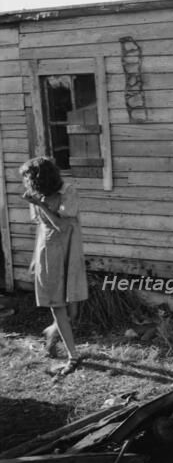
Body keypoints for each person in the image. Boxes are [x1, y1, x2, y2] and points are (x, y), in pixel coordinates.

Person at [20, 157, 88, 375]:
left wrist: (40, 205)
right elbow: (42, 228)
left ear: (40, 178)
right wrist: (34, 259)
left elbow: (61, 226)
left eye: (29, 179)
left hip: (68, 251)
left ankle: (52, 334)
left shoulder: (67, 192)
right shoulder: (38, 196)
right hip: (47, 253)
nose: (27, 183)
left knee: (72, 310)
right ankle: (73, 356)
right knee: (57, 306)